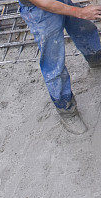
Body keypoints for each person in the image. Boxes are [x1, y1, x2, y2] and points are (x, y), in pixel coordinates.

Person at [18, 0, 101, 134]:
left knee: (84, 29)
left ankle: (96, 60)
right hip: (39, 11)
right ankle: (67, 110)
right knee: (54, 61)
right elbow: (44, 3)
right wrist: (81, 12)